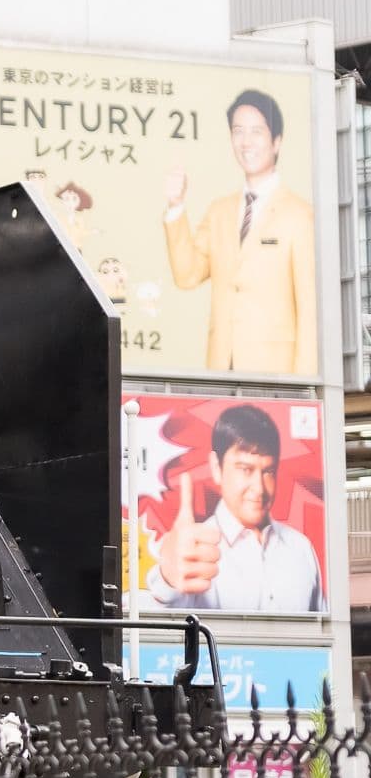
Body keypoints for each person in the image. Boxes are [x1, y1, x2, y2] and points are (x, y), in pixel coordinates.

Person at [162, 89, 317, 375]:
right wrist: (175, 206)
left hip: (278, 374)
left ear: (277, 141)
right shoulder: (219, 211)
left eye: (256, 131)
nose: (246, 142)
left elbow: (309, 309)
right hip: (222, 368)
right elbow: (187, 275)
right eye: (238, 131)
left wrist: (306, 383)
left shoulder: (300, 215)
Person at [148, 404, 326, 613]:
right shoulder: (194, 551)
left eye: (268, 471)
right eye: (245, 469)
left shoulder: (301, 548)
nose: (259, 488)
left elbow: (322, 631)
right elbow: (153, 624)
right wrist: (167, 579)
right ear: (216, 467)